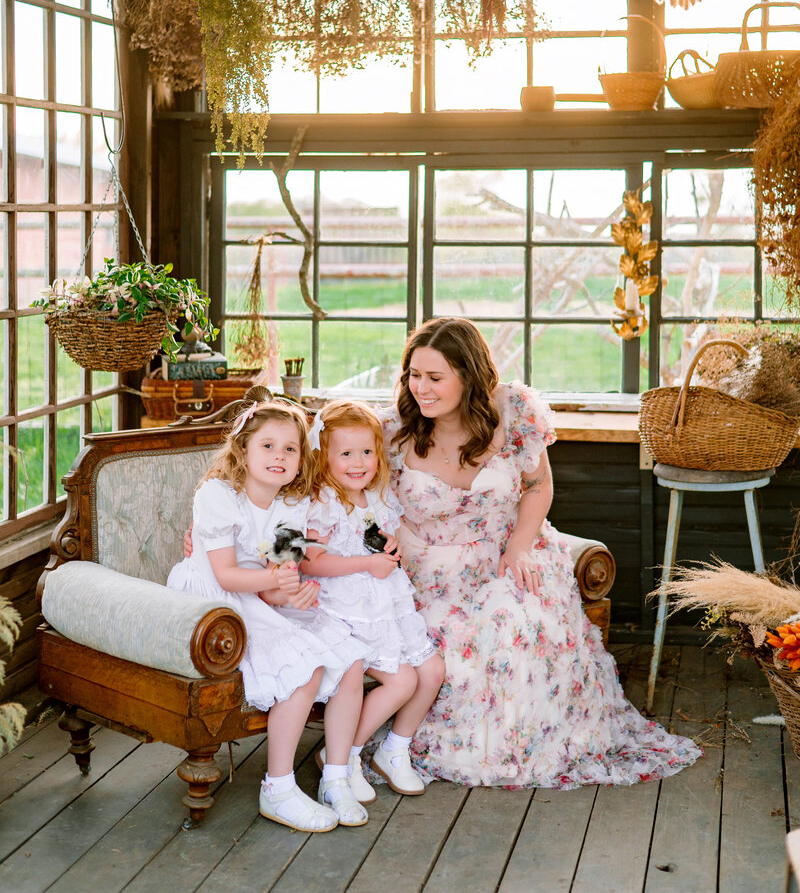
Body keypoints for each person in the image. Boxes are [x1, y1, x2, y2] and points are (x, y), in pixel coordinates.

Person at [381, 316, 702, 788]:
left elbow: (537, 485)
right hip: (425, 563)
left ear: (467, 375)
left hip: (508, 547)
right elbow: (363, 501)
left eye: (434, 377)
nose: (421, 389)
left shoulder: (513, 410)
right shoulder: (394, 430)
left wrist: (517, 548)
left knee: (514, 621)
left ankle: (512, 747)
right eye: (414, 375)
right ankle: (401, 747)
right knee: (443, 640)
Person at [167, 389, 370, 832]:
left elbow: (277, 584)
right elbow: (225, 575)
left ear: (301, 459)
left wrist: (295, 594)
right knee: (305, 668)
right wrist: (277, 582)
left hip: (255, 597)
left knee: (351, 659)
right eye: (267, 445)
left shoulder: (291, 507)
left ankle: (335, 777)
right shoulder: (217, 496)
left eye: (290, 448)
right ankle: (277, 787)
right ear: (242, 449)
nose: (279, 455)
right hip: (213, 605)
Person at [298, 400, 445, 802]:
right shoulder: (323, 502)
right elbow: (311, 564)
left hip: (386, 606)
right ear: (324, 457)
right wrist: (369, 562)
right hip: (346, 611)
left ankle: (394, 750)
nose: (358, 462)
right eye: (346, 453)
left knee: (431, 671)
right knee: (402, 681)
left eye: (367, 452)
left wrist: (388, 543)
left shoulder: (375, 497)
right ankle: (344, 755)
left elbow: (376, 536)